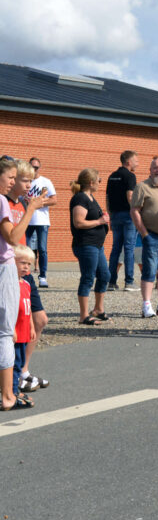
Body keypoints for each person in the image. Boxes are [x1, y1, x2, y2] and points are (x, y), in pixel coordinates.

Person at [0, 159, 51, 411]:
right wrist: (32, 209)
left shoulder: (16, 201)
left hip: (18, 267)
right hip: (8, 267)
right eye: (16, 177)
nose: (18, 182)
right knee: (7, 332)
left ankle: (19, 375)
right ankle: (10, 389)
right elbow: (11, 237)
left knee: (35, 321)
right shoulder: (3, 201)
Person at [130, 156, 158, 319]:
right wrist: (144, 234)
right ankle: (146, 304)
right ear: (150, 170)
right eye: (155, 167)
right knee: (149, 270)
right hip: (151, 236)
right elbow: (135, 211)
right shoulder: (142, 187)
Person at [69, 168, 111, 324]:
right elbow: (78, 222)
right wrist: (100, 222)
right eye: (99, 180)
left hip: (97, 245)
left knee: (105, 275)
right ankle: (84, 316)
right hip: (86, 244)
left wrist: (103, 220)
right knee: (88, 277)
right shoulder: (80, 198)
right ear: (91, 182)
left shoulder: (90, 197)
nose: (100, 183)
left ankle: (98, 310)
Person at [17, 242, 48, 394]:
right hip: (10, 261)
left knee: (40, 320)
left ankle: (23, 372)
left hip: (22, 254)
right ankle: (12, 383)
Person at [107, 150, 139, 291]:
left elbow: (107, 197)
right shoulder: (130, 176)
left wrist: (110, 214)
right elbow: (130, 196)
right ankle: (129, 282)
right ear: (128, 162)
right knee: (129, 249)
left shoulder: (112, 176)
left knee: (115, 249)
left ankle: (111, 282)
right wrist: (136, 213)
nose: (137, 163)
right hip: (128, 216)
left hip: (115, 215)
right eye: (135, 161)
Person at [11, 244, 35, 406]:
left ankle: (13, 388)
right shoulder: (10, 285)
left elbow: (29, 309)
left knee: (19, 362)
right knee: (12, 363)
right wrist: (11, 329)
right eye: (22, 263)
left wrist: (32, 326)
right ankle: (12, 391)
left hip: (24, 331)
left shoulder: (26, 284)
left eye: (28, 264)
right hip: (14, 332)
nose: (26, 267)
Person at [26, 157, 55, 288]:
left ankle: (42, 276)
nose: (34, 169)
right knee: (25, 249)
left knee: (42, 249)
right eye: (32, 167)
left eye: (36, 167)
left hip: (42, 220)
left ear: (39, 168)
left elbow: (54, 200)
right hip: (27, 219)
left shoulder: (46, 182)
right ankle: (25, 275)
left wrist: (39, 203)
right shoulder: (25, 181)